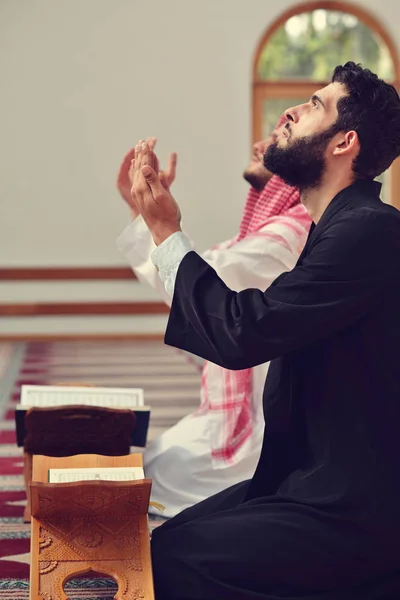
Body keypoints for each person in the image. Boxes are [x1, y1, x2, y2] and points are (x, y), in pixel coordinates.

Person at [129, 62, 400, 599]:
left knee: (172, 561)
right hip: (304, 477)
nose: (292, 112)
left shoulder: (368, 232)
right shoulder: (338, 229)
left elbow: (242, 332)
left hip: (356, 504)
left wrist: (166, 230)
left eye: (316, 105)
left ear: (345, 142)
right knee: (164, 540)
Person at [116, 123, 311, 517]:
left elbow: (200, 280)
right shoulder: (269, 232)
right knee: (150, 463)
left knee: (155, 485)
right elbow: (192, 277)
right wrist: (147, 215)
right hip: (238, 413)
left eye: (275, 141)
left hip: (263, 428)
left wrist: (157, 222)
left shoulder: (293, 233)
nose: (260, 145)